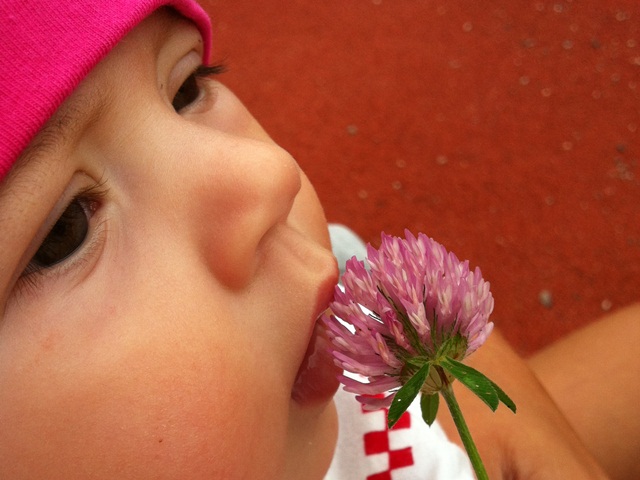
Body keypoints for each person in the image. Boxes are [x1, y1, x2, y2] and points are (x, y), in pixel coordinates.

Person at [0, 1, 637, 478]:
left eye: (186, 88)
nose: (269, 174)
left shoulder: (304, 363)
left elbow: (357, 267)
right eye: (64, 231)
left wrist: (487, 387)